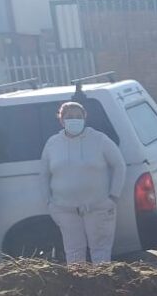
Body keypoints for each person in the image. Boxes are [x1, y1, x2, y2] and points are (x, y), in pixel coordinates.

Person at [40, 101, 126, 265]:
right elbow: (43, 174)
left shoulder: (99, 139)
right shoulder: (53, 143)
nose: (74, 120)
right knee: (73, 255)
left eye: (78, 116)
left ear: (85, 118)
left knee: (101, 254)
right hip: (66, 210)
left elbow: (119, 165)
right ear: (61, 120)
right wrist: (49, 202)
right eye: (69, 117)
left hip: (98, 208)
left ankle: (102, 287)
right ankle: (80, 288)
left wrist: (113, 197)